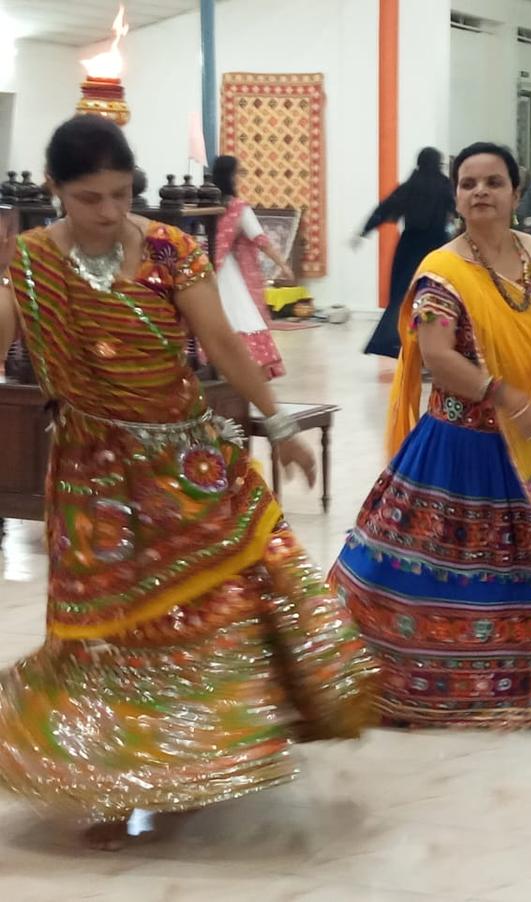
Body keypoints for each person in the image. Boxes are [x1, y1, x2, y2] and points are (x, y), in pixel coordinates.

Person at [0, 116, 376, 848]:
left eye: (118, 194)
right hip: (90, 473)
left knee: (199, 620)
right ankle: (106, 782)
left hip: (185, 464)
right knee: (104, 634)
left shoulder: (171, 249)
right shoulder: (29, 262)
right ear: (54, 193)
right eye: (87, 198)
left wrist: (278, 425)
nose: (107, 213)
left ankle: (190, 766)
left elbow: (224, 344)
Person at [328, 143, 531, 727]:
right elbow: (439, 357)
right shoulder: (442, 269)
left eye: (493, 181)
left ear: (515, 190)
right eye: (468, 183)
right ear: (456, 195)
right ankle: (432, 672)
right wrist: (509, 398)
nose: (480, 191)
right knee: (434, 569)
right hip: (459, 446)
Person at [359, 147, 455, 358]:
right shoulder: (444, 186)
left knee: (403, 293)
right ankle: (435, 343)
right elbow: (457, 209)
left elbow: (385, 209)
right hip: (436, 246)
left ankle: (395, 342)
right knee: (436, 294)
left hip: (410, 245)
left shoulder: (410, 186)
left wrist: (364, 230)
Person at [209, 155, 292, 379]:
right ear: (231, 176)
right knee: (241, 316)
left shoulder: (205, 205)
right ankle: (245, 365)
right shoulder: (238, 208)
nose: (240, 177)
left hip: (204, 269)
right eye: (239, 173)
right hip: (227, 273)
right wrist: (283, 264)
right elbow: (260, 239)